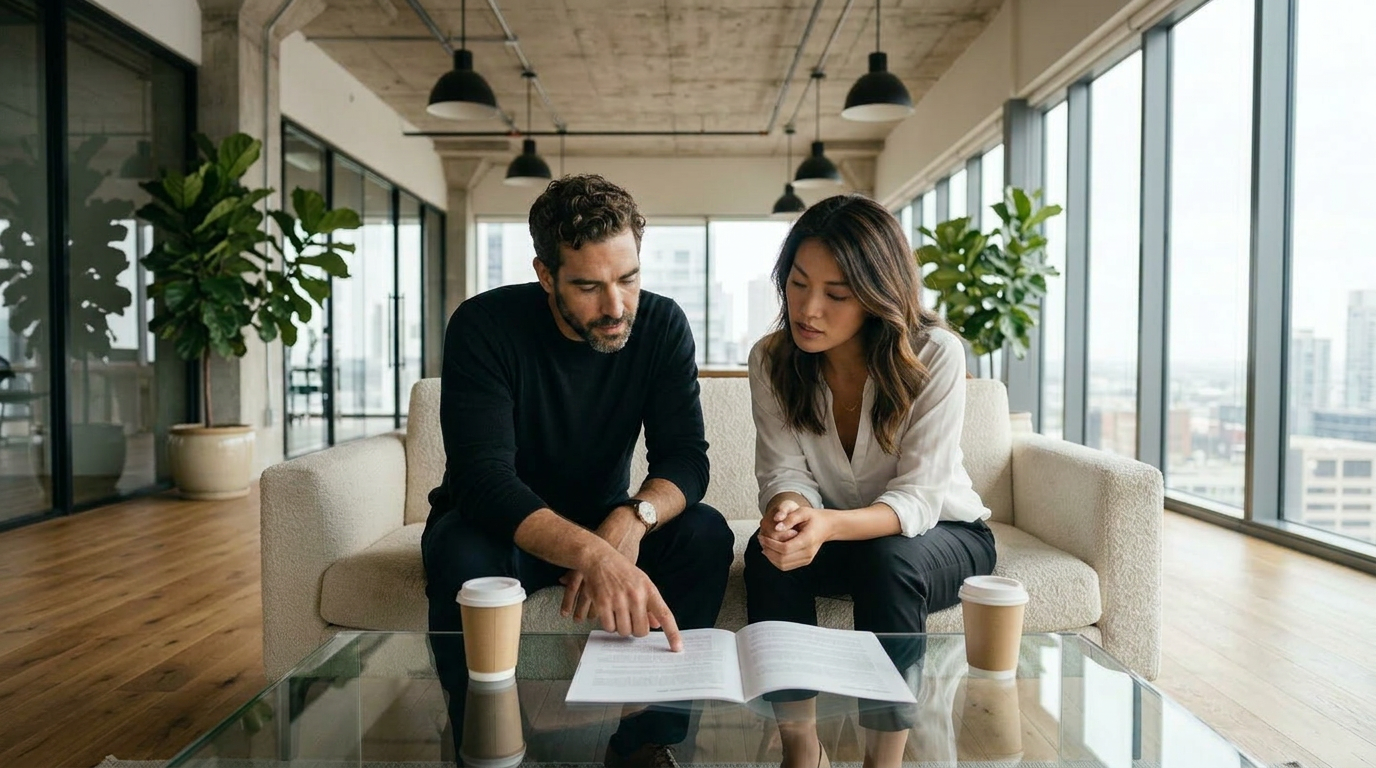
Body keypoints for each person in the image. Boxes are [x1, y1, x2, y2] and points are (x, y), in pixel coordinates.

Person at [423, 174, 734, 768]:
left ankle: (649, 741)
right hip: (496, 528)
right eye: (589, 286)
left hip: (605, 517)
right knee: (458, 552)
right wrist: (592, 557)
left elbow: (685, 461)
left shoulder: (662, 325)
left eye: (629, 279)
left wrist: (632, 520)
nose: (616, 307)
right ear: (546, 275)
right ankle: (481, 744)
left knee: (705, 533)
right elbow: (483, 478)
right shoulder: (483, 326)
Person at [745, 194, 997, 768]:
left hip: (943, 537)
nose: (808, 309)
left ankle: (882, 761)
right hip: (838, 537)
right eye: (798, 283)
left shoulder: (935, 354)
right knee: (767, 553)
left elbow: (919, 498)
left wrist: (828, 523)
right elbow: (784, 471)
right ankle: (802, 751)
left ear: (878, 296)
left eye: (836, 294)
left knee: (888, 559)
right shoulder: (771, 360)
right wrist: (790, 513)